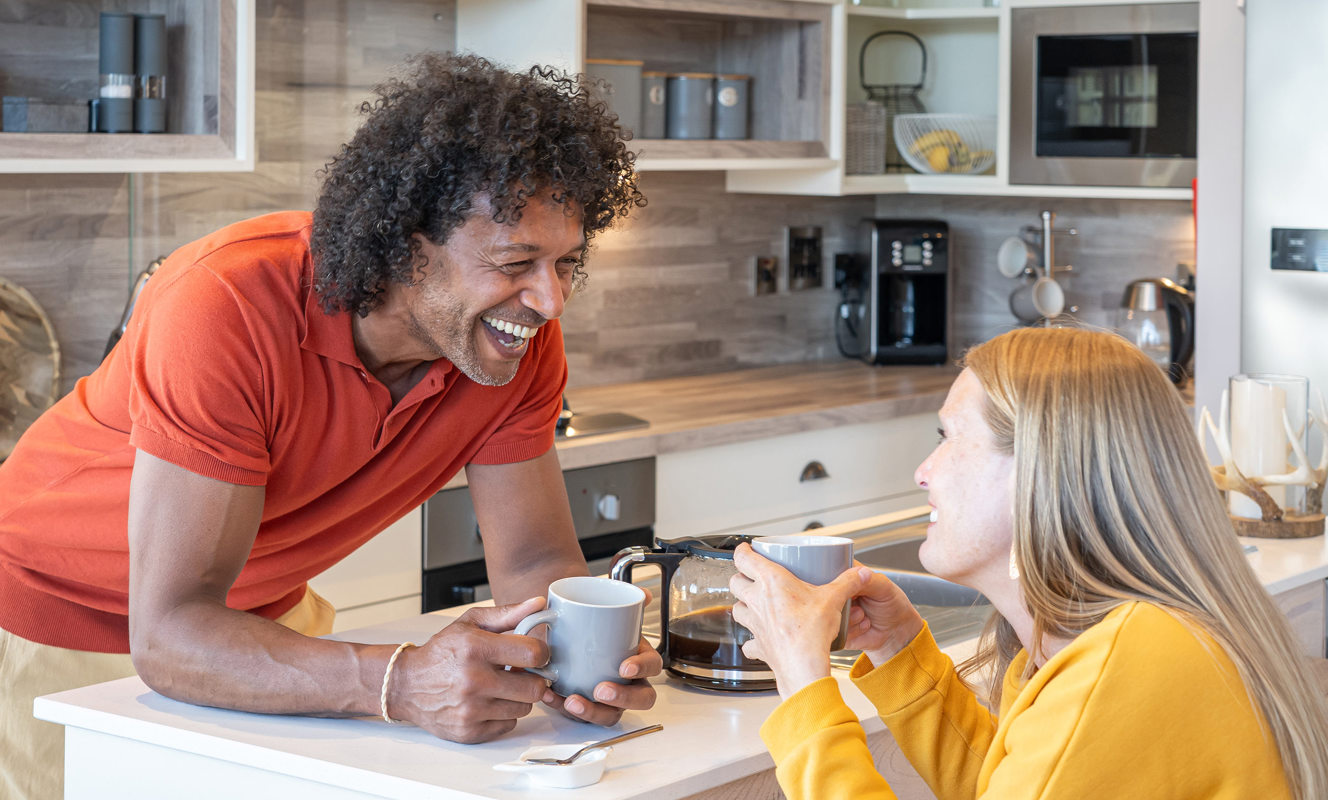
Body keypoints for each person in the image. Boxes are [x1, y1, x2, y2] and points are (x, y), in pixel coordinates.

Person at [0, 53, 659, 800]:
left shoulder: (510, 342)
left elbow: (538, 557)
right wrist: (402, 680)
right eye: (517, 261)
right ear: (410, 245)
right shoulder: (226, 304)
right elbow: (172, 634)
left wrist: (587, 659)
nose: (549, 299)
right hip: (46, 623)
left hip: (256, 627)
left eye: (567, 262)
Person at [730, 326, 1328, 800]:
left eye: (948, 436)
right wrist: (900, 651)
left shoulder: (1131, 663)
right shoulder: (1117, 640)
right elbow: (1016, 787)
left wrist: (804, 683)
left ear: (1038, 468)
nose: (924, 472)